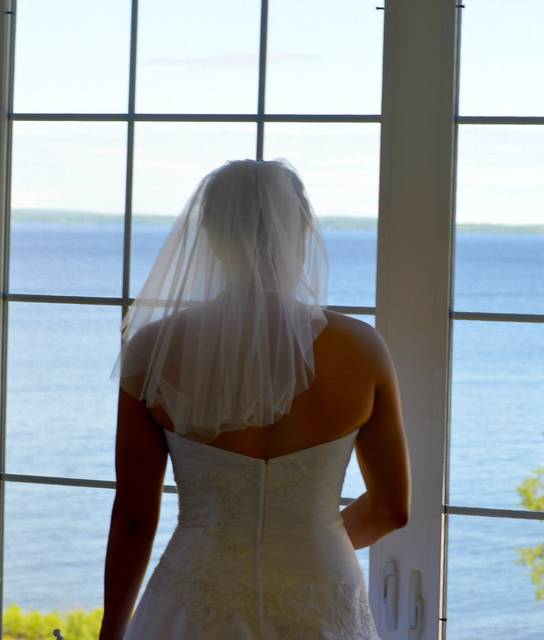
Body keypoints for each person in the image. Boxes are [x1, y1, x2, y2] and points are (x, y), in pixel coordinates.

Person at [98, 158, 411, 639]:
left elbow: (137, 516)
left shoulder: (155, 350)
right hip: (320, 593)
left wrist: (111, 632)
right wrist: (313, 541)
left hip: (196, 597)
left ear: (211, 236)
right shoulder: (361, 348)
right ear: (302, 232)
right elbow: (392, 509)